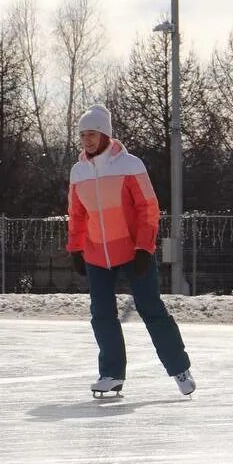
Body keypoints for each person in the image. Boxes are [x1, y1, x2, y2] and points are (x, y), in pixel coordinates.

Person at [66, 104, 195, 398]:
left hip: (133, 251)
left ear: (105, 135)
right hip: (97, 253)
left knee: (151, 310)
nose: (87, 140)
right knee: (101, 314)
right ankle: (111, 373)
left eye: (92, 134)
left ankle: (179, 368)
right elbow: (76, 214)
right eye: (83, 134)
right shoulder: (78, 172)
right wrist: (75, 248)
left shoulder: (130, 165)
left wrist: (143, 249)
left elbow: (148, 209)